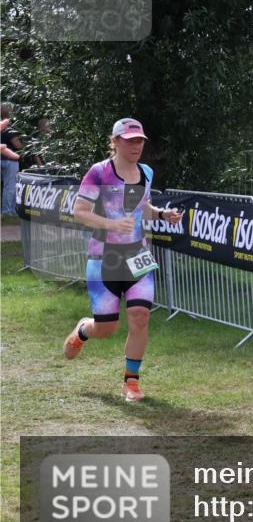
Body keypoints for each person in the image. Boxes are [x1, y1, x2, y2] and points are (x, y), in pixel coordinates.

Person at [62, 118, 183, 401]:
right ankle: (83, 329)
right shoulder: (99, 173)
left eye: (140, 141)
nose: (136, 146)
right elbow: (80, 211)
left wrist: (162, 214)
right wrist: (111, 225)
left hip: (138, 256)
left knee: (140, 317)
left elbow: (143, 208)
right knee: (106, 329)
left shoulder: (146, 172)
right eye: (130, 141)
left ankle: (131, 381)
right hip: (103, 258)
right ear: (115, 142)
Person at [1, 104, 23, 215]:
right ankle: (7, 211)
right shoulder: (10, 130)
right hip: (10, 161)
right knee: (9, 186)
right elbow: (18, 146)